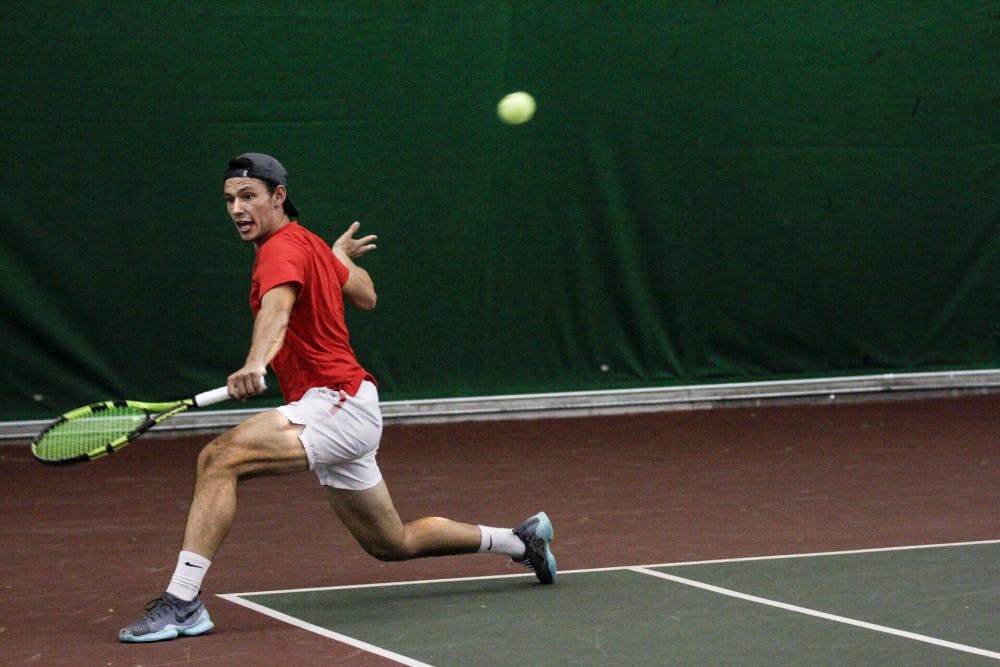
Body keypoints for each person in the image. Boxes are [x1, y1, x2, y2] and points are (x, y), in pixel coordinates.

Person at [119, 153, 556, 643]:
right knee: (393, 543)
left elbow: (277, 309)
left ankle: (182, 602)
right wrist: (337, 257)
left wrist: (257, 362)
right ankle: (520, 541)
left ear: (278, 196)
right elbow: (366, 295)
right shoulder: (307, 245)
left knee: (219, 459)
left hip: (335, 402)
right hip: (348, 407)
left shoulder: (279, 251)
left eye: (248, 197)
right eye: (229, 200)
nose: (237, 209)